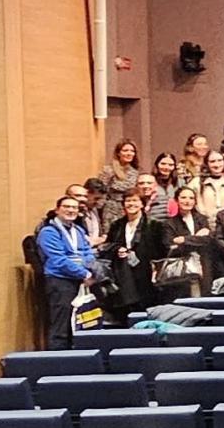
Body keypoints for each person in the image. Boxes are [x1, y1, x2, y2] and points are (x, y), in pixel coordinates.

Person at [37, 195, 100, 349]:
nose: (71, 210)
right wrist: (84, 273)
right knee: (61, 325)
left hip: (81, 281)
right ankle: (57, 362)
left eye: (74, 208)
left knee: (80, 323)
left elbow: (87, 252)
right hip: (60, 281)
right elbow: (58, 260)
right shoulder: (48, 232)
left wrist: (88, 268)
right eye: (67, 207)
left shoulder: (78, 230)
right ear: (57, 210)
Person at [102, 193, 169, 322]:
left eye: (135, 200)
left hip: (147, 274)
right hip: (123, 274)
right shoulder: (117, 225)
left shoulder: (155, 225)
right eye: (128, 200)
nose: (131, 204)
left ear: (142, 204)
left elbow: (162, 250)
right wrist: (118, 249)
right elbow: (108, 245)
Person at [98, 139, 140, 210]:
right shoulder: (109, 170)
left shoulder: (135, 172)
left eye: (132, 151)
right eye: (125, 150)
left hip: (130, 207)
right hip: (111, 208)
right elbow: (101, 192)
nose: (129, 153)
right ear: (118, 153)